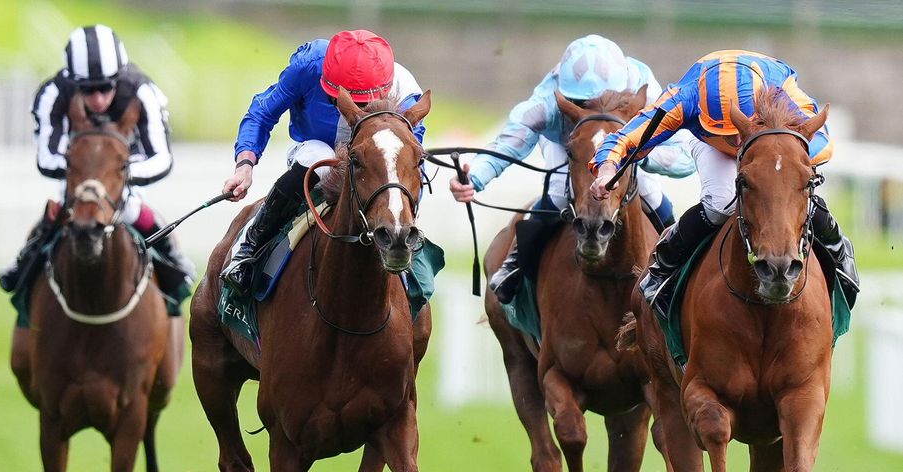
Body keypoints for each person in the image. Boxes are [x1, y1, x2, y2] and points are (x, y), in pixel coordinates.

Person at [589, 50, 859, 318]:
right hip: (709, 144)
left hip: (768, 139)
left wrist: (780, 170)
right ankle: (663, 268)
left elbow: (824, 144)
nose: (737, 145)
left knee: (789, 191)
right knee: (721, 203)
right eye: (730, 137)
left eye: (739, 136)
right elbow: (626, 137)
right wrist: (606, 168)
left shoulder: (781, 94)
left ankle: (839, 251)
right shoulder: (685, 98)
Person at [448, 35, 696, 304]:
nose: (591, 109)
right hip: (571, 145)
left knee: (650, 191)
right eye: (580, 104)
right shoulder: (546, 101)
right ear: (565, 96)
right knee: (557, 189)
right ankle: (516, 262)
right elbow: (509, 143)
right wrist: (475, 177)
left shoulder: (646, 91)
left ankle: (677, 264)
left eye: (605, 100)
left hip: (627, 146)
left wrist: (636, 156)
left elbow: (685, 157)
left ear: (622, 92)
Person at [0, 24, 195, 306]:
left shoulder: (143, 91)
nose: (99, 99)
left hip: (123, 176)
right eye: (88, 91)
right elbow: (46, 157)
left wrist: (115, 175)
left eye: (105, 88)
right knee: (59, 211)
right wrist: (86, 175)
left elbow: (161, 158)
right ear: (73, 82)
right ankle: (25, 265)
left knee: (131, 209)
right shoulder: (53, 93)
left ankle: (173, 259)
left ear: (119, 77)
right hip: (76, 176)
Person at [220, 29, 426, 296]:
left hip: (373, 169)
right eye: (335, 100)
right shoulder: (309, 65)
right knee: (320, 157)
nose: (351, 111)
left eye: (363, 104)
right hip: (316, 154)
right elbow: (262, 112)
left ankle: (412, 271)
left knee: (397, 173)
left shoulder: (405, 91)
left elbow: (411, 164)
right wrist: (244, 165)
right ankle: (250, 245)